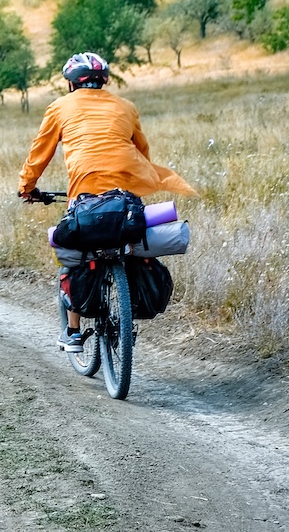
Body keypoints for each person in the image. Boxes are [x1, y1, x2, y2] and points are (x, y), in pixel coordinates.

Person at [17, 52, 195, 352]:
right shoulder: (126, 107)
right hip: (126, 199)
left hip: (84, 198)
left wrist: (27, 188)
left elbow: (39, 154)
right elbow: (142, 151)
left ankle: (73, 333)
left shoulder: (59, 107)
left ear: (72, 83)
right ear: (105, 81)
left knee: (74, 255)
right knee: (131, 243)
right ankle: (128, 299)